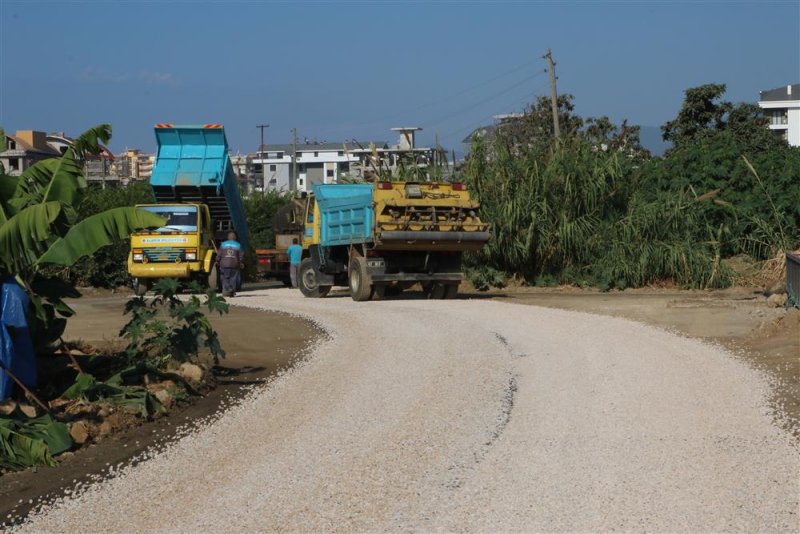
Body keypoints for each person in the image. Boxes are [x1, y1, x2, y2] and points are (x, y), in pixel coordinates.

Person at [217, 231, 244, 297]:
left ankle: (226, 290)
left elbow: (219, 254)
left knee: (225, 278)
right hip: (234, 265)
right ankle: (232, 291)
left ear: (228, 237)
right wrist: (240, 262)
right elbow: (241, 255)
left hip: (224, 264)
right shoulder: (238, 245)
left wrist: (217, 260)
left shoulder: (223, 244)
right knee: (233, 278)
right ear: (235, 237)